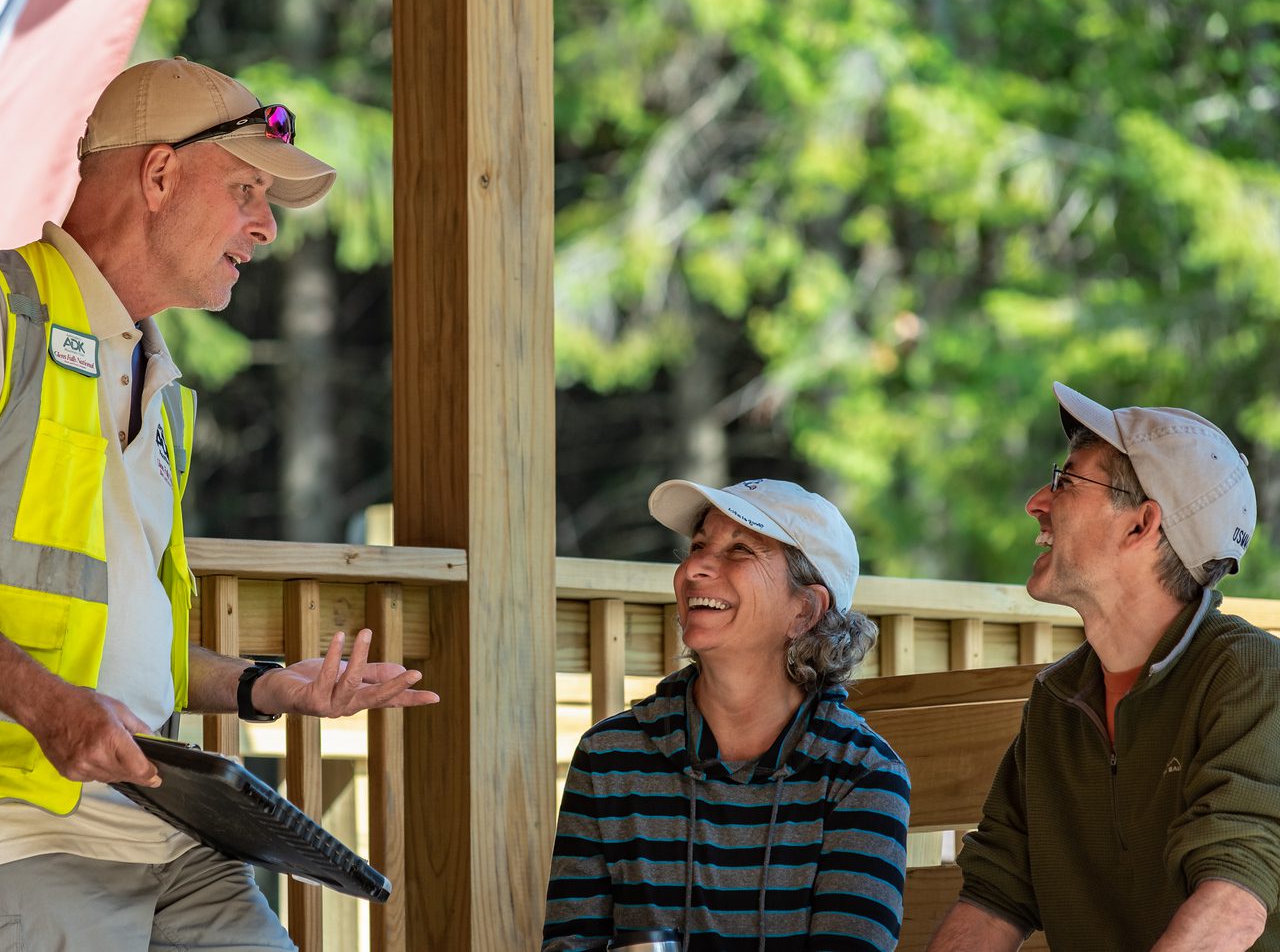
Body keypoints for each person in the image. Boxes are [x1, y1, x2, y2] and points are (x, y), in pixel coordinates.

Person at [0, 58, 439, 952]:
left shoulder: (163, 386)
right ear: (157, 176)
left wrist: (264, 686)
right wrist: (51, 709)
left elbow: (100, 635)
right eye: (246, 191)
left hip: (157, 825)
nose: (264, 228)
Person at [929, 382, 1280, 951]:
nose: (1036, 502)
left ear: (1141, 526)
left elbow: (1232, 907)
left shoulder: (1251, 676)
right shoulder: (1057, 703)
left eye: (1066, 481)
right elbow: (994, 898)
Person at [543, 477, 910, 951]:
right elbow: (569, 943)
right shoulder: (609, 756)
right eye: (697, 546)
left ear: (805, 610)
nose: (694, 566)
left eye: (740, 550)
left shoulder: (862, 774)